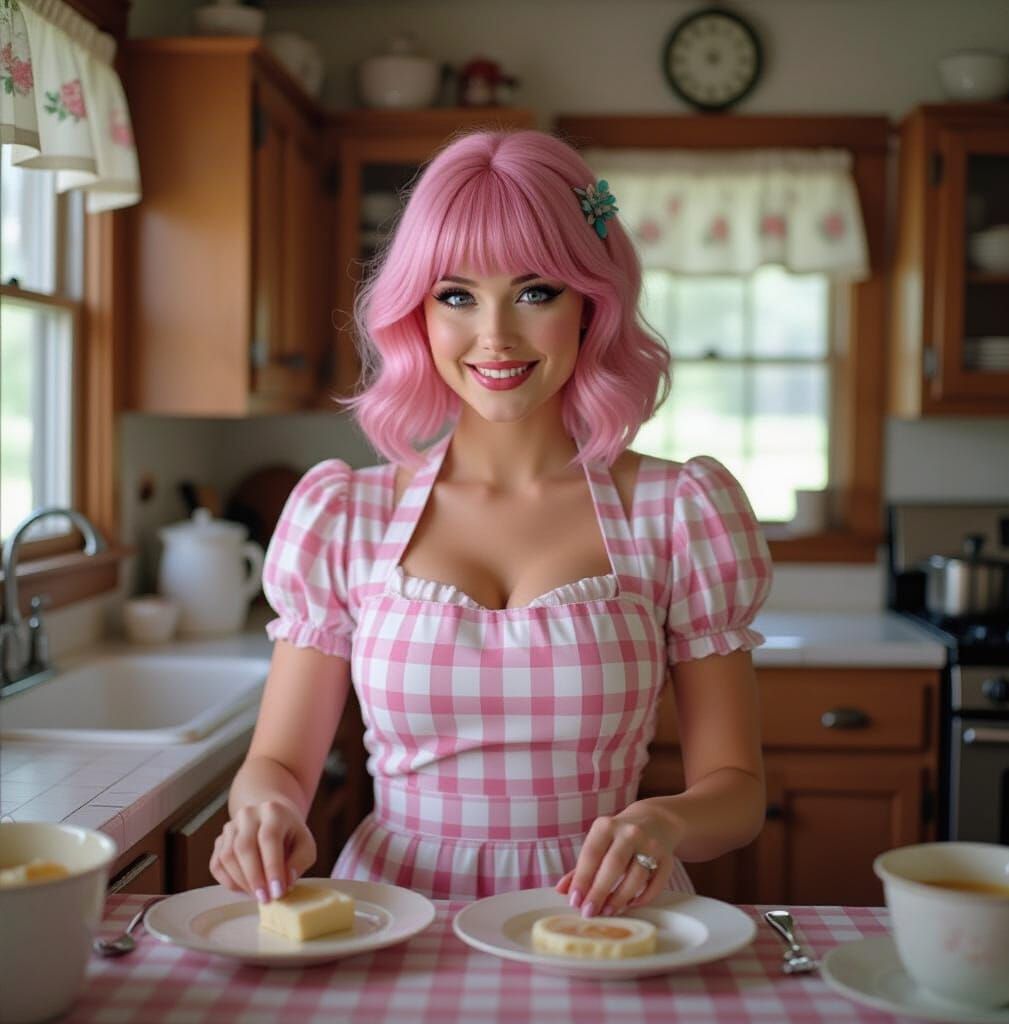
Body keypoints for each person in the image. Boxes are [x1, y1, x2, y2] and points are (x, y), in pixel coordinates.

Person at [209, 129, 773, 920]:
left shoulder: (677, 512)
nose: (496, 336)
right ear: (418, 312)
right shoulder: (346, 515)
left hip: (600, 917)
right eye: (457, 295)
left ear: (591, 306)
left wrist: (666, 819)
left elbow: (737, 793)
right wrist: (265, 812)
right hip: (390, 918)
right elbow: (277, 763)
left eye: (536, 291)